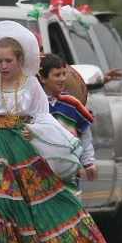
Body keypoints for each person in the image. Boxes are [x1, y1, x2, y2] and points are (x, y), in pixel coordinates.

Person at [0, 21, 107, 243]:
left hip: (24, 145)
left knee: (30, 201)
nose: (3, 66)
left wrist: (36, 132)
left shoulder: (31, 84)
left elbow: (43, 117)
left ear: (20, 60)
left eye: (8, 61)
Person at [32, 53, 98, 198]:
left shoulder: (71, 103)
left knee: (69, 203)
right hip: (39, 169)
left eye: (63, 74)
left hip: (69, 169)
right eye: (57, 75)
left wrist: (88, 162)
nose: (62, 79)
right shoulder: (33, 105)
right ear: (42, 78)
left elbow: (84, 134)